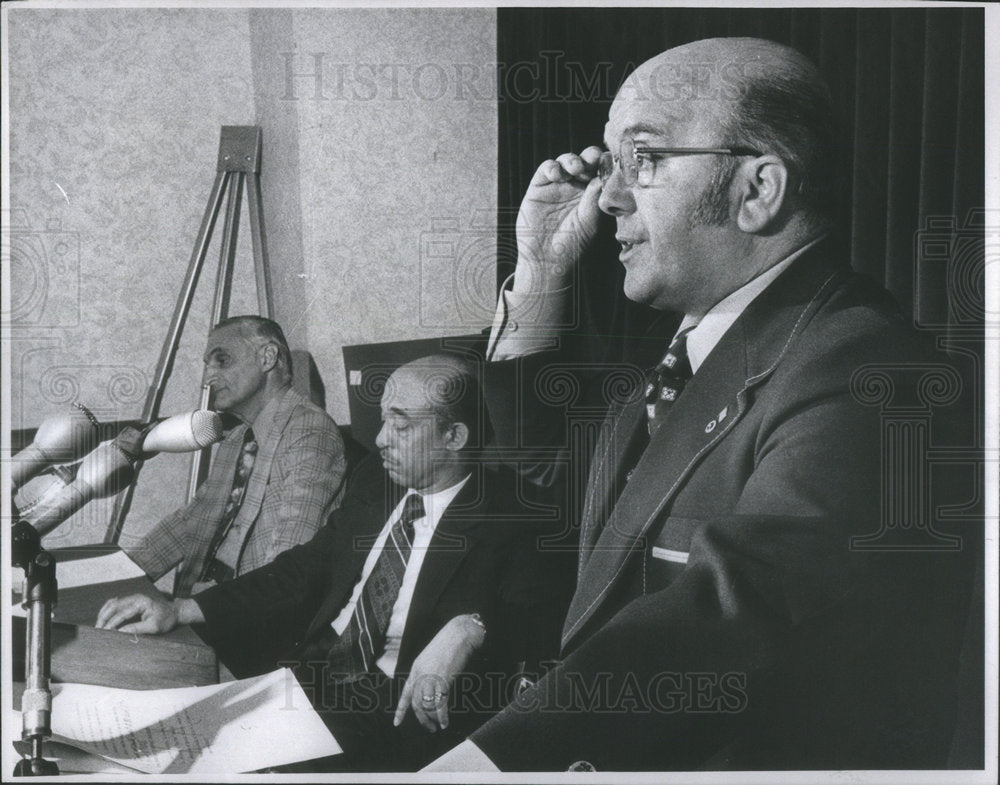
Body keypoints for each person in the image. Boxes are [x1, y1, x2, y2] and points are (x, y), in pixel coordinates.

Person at [426, 37, 976, 772]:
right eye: (610, 163)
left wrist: (486, 765)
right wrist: (542, 269)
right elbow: (552, 468)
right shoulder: (692, 350)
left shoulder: (869, 370)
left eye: (643, 160)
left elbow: (729, 620)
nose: (607, 197)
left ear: (758, 191)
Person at [98, 355, 568, 772]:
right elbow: (305, 568)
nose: (380, 439)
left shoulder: (520, 514)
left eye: (401, 425)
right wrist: (179, 608)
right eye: (383, 420)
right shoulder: (377, 483)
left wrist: (471, 626)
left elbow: (540, 632)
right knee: (150, 739)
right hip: (310, 671)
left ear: (454, 436)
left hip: (392, 711)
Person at [120, 315, 347, 598]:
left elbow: (287, 565)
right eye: (207, 365)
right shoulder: (238, 438)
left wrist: (195, 611)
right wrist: (117, 576)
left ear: (267, 358)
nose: (207, 378)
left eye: (222, 360)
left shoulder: (310, 432)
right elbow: (193, 521)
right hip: (206, 602)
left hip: (250, 613)